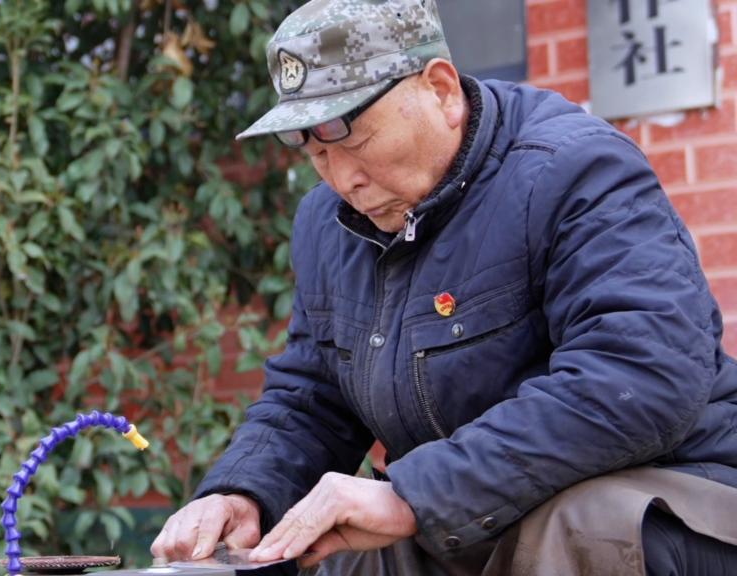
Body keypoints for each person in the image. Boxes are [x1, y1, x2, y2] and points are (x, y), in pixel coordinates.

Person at [150, 0, 737, 574]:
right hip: (480, 509)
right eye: (317, 152)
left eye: (355, 141)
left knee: (581, 527)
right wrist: (243, 493)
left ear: (441, 90)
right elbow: (314, 395)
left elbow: (642, 375)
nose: (344, 179)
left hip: (679, 495)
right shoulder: (327, 223)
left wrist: (414, 494)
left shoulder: (573, 169)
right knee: (342, 550)